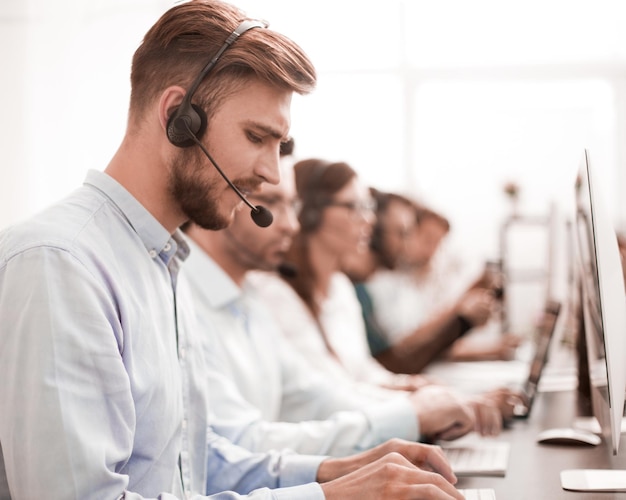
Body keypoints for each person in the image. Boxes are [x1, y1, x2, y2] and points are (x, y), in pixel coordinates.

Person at [0, 2, 465, 499]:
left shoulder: (162, 262)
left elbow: (192, 466)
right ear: (178, 117)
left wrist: (342, 469)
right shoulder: (61, 263)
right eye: (256, 137)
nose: (270, 172)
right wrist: (332, 497)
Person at [181, 157, 499, 460]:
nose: (291, 225)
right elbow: (240, 449)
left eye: (293, 206)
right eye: (274, 203)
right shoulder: (244, 297)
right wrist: (411, 412)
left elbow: (320, 395)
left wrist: (418, 406)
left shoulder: (249, 298)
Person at [249, 158, 517, 436]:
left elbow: (365, 374)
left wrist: (421, 389)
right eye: (354, 206)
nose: (369, 219)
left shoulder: (340, 288)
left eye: (368, 207)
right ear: (310, 214)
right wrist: (425, 407)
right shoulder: (275, 295)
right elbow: (331, 396)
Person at [344, 189, 521, 374]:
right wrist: (461, 317)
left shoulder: (402, 284)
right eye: (402, 233)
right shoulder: (367, 287)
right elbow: (398, 357)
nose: (407, 245)